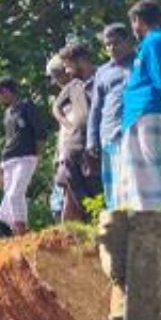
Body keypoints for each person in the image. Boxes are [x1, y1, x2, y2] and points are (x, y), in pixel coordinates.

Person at [118, 0, 161, 211]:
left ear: (138, 20)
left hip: (149, 109)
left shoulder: (156, 42)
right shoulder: (149, 43)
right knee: (136, 167)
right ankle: (141, 210)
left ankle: (156, 211)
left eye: (133, 22)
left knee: (151, 163)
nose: (133, 28)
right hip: (137, 112)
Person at [87, 24, 136, 212]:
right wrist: (91, 140)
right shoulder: (102, 72)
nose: (111, 48)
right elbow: (95, 108)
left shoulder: (140, 63)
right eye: (107, 45)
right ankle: (116, 223)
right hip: (108, 134)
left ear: (127, 41)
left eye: (115, 43)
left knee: (133, 182)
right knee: (113, 185)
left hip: (135, 132)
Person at [0, 77, 47, 235]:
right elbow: (8, 140)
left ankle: (21, 228)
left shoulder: (26, 106)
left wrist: (38, 156)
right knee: (12, 197)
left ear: (7, 91)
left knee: (15, 193)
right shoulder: (7, 113)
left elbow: (40, 133)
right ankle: (19, 230)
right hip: (8, 160)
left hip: (26, 156)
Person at [56, 42, 101, 221]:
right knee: (68, 182)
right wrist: (67, 124)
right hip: (73, 144)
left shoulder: (101, 77)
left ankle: (94, 223)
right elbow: (56, 107)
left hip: (93, 145)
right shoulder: (73, 85)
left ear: (80, 61)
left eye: (68, 66)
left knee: (93, 187)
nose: (66, 71)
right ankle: (73, 234)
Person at [47, 55, 71, 222]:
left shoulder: (77, 90)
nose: (56, 81)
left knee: (64, 198)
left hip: (71, 152)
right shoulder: (64, 95)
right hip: (63, 152)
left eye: (57, 76)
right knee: (58, 201)